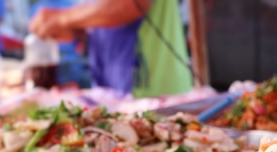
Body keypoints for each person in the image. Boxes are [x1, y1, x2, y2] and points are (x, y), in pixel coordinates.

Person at [29, 0, 193, 98]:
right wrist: (78, 28)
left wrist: (63, 19)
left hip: (155, 91)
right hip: (113, 91)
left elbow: (130, 4)